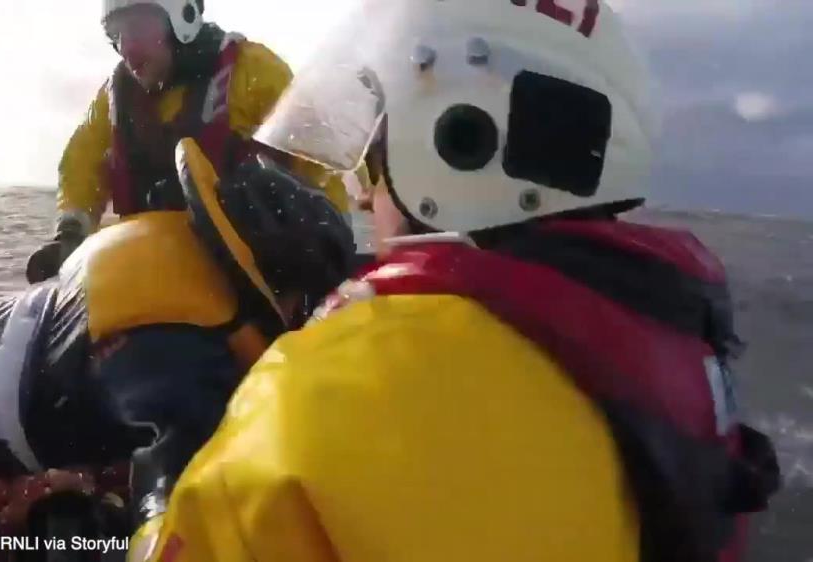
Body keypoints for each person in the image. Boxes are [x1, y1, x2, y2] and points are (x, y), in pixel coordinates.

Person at [127, 1, 782, 561]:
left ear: (459, 140)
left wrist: (165, 486)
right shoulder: (664, 335)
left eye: (373, 155)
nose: (362, 194)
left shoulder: (328, 391)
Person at [0, 139, 355, 556]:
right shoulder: (186, 361)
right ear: (277, 287)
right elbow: (167, 510)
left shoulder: (160, 253)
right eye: (307, 306)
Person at [26, 0, 349, 283]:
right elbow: (81, 164)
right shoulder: (114, 100)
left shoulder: (253, 71)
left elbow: (322, 163)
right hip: (149, 277)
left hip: (246, 282)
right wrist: (69, 234)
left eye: (137, 29)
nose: (126, 48)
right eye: (116, 34)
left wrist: (331, 261)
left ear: (183, 17)